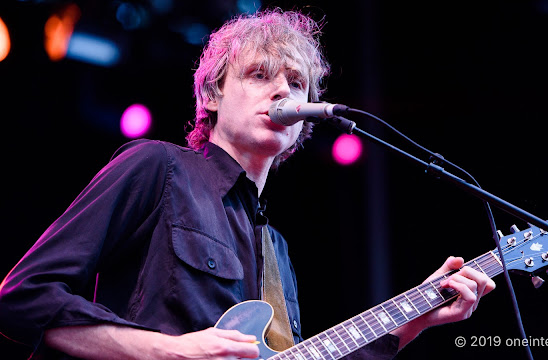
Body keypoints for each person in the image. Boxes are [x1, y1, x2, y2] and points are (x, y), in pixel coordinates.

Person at [0, 9, 495, 359]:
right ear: (212, 94)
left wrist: (416, 316)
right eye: (260, 74)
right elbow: (25, 295)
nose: (283, 90)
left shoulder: (275, 248)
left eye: (297, 83)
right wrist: (170, 352)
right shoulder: (157, 168)